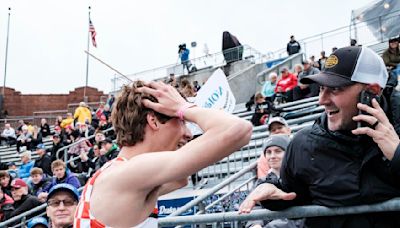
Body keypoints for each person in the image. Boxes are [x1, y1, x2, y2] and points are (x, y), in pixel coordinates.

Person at [243, 46, 400, 227]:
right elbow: (294, 197)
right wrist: (274, 192)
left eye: (334, 89)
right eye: (321, 88)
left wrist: (397, 154)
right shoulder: (303, 144)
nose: (321, 100)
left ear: (371, 91)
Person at [74, 80, 252, 227]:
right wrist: (184, 107)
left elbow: (181, 178)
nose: (189, 133)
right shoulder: (131, 172)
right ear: (153, 121)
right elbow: (238, 129)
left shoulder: (118, 172)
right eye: (182, 122)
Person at [240, 135, 303, 228]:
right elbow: (256, 207)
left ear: (289, 153)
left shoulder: (300, 177)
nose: (272, 156)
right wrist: (255, 224)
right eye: (268, 152)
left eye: (278, 151)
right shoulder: (262, 182)